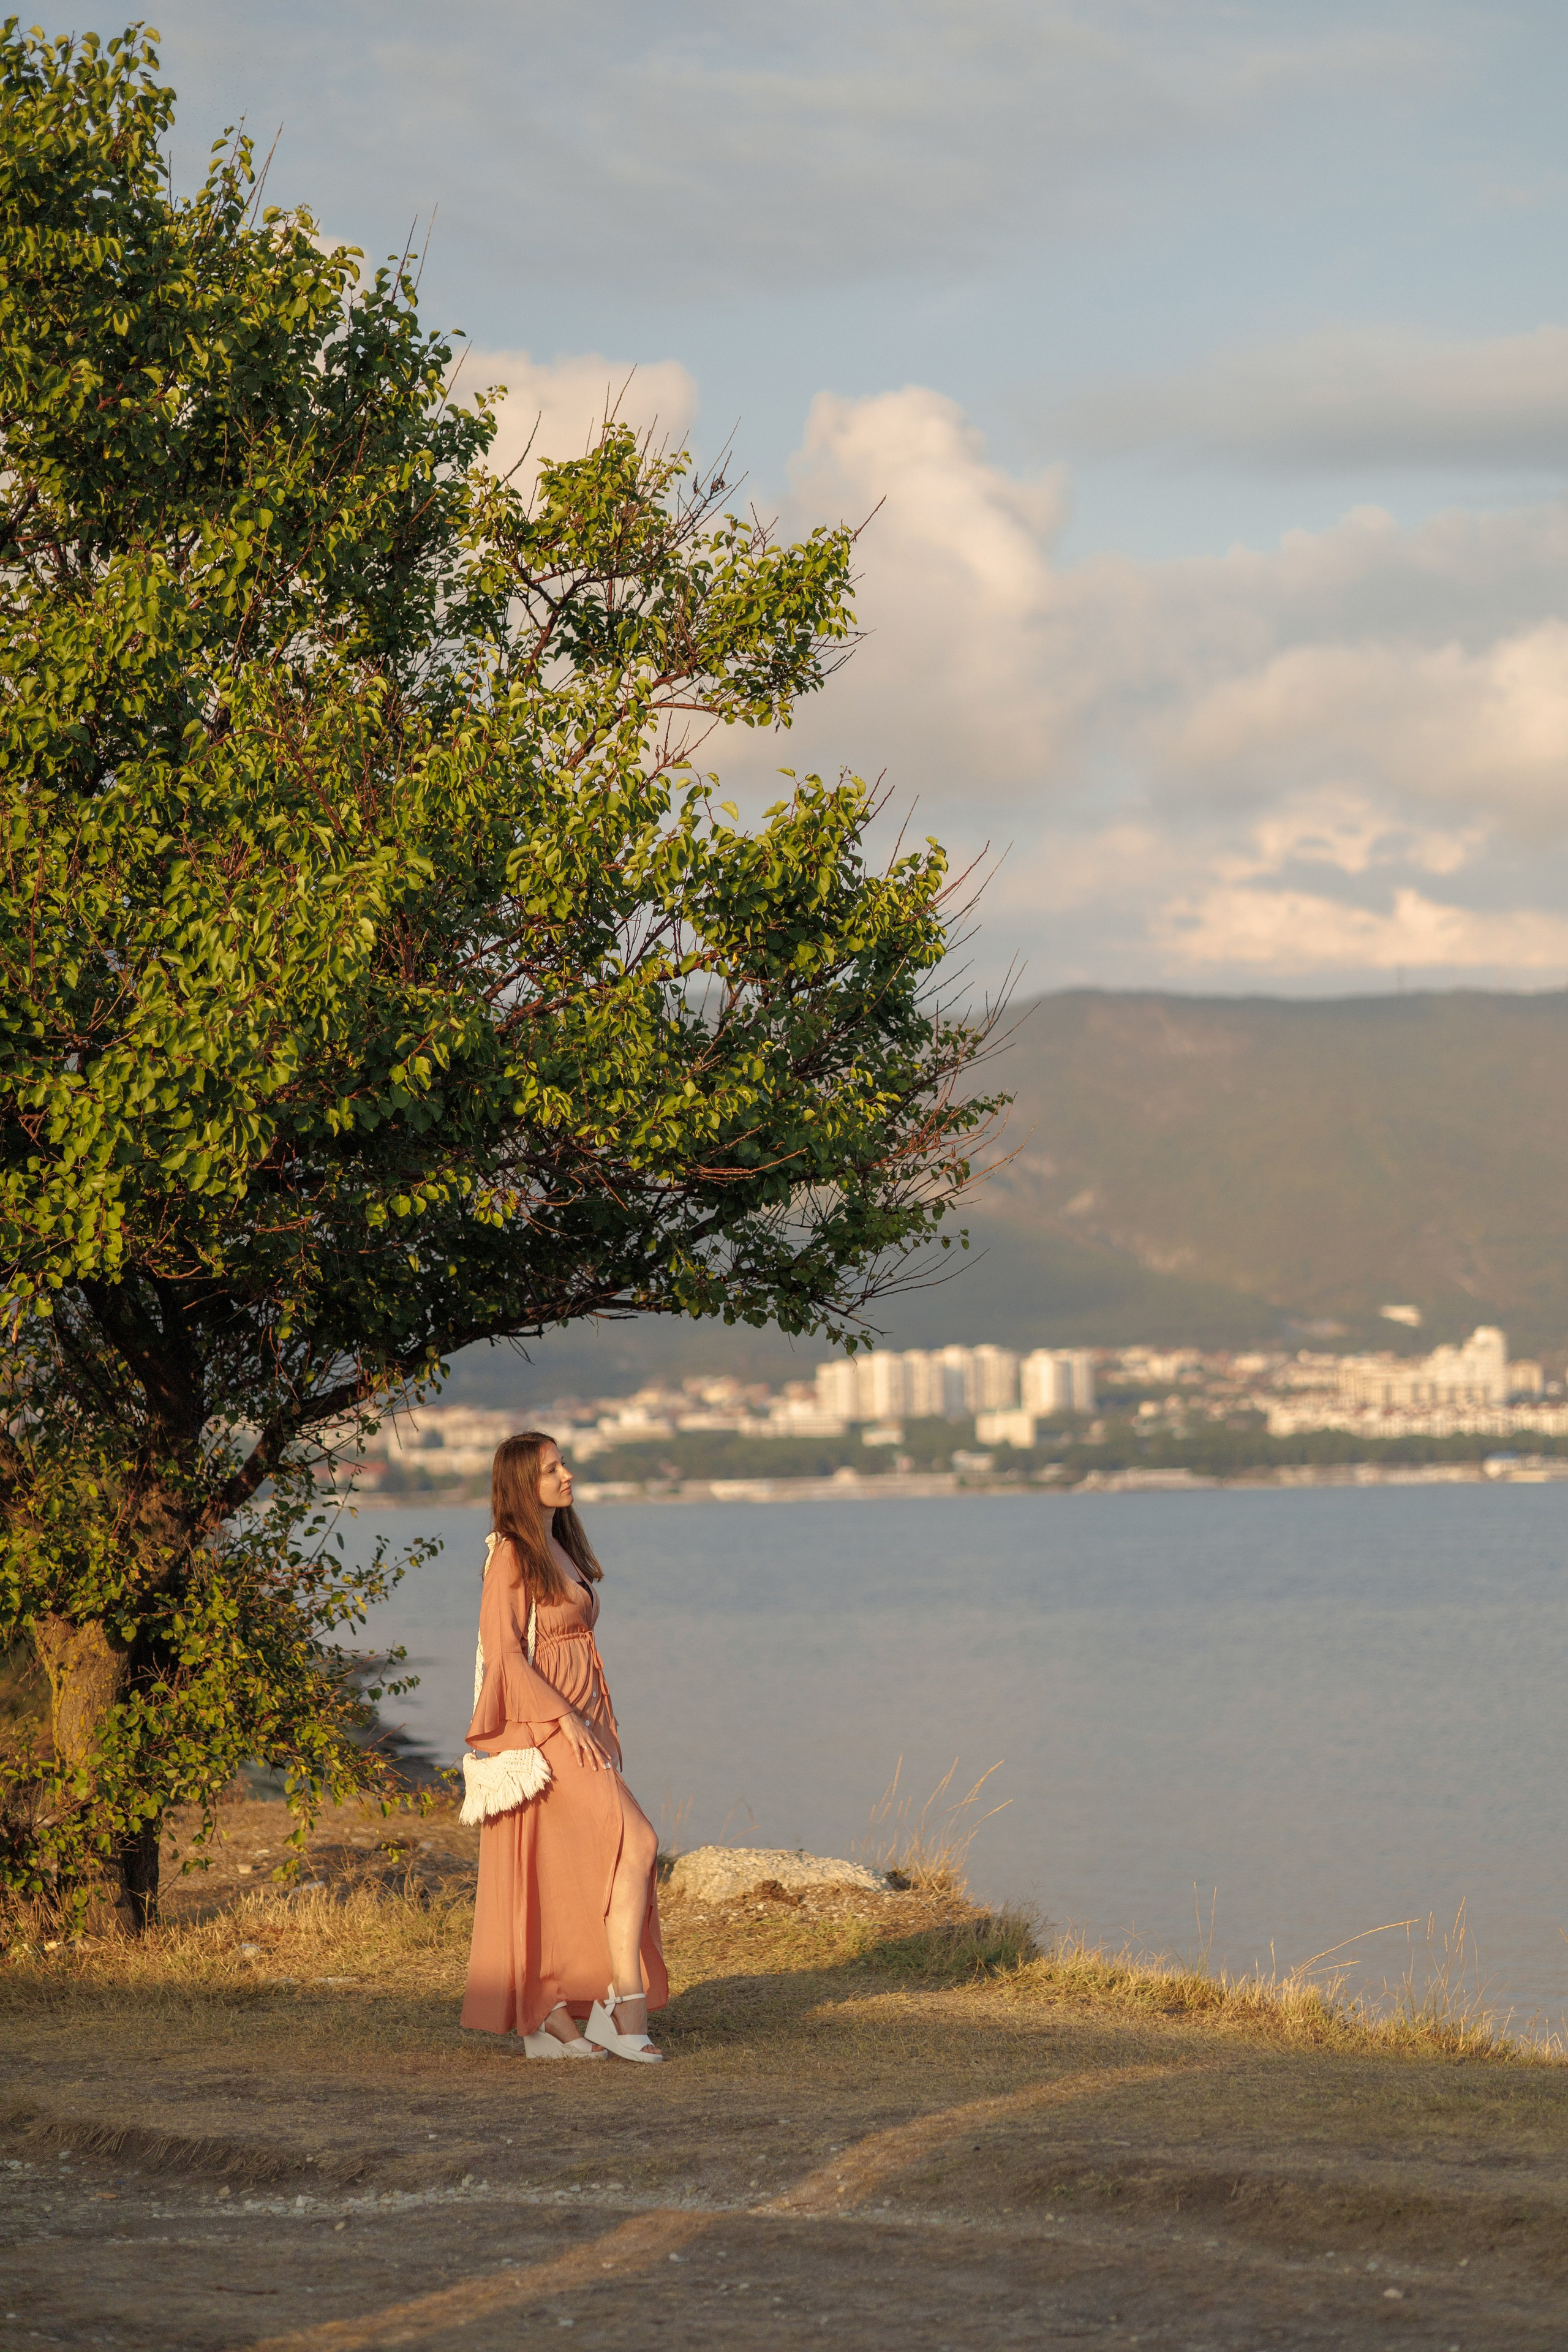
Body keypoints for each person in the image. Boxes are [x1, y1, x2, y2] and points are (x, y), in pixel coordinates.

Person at [460, 1431, 668, 2060]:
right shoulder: (512, 1557)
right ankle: (618, 2012)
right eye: (553, 1468)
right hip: (551, 1728)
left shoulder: (556, 1545)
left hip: (585, 1723)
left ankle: (555, 2014)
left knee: (574, 1869)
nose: (568, 1474)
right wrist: (565, 1721)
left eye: (563, 1464)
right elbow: (506, 1657)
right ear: (525, 1483)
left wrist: (594, 1721)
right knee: (638, 1842)